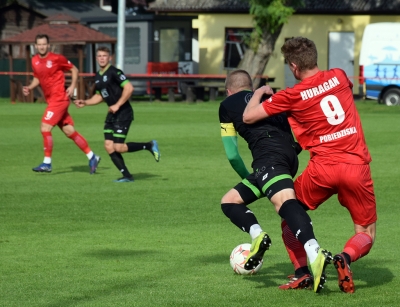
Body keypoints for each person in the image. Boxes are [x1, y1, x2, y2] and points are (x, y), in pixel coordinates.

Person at [243, 37, 377, 294]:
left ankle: (302, 272)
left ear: (294, 67)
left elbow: (249, 116)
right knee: (366, 231)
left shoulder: (291, 95)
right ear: (315, 58)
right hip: (356, 166)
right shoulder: (339, 76)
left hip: (322, 169)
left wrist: (259, 92)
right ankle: (345, 258)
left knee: (289, 217)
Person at [219, 69, 332, 293]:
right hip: (288, 156)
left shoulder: (226, 105)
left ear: (228, 90)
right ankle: (257, 236)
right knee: (230, 201)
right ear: (250, 86)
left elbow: (232, 154)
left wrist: (248, 175)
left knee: (284, 203)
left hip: (269, 159)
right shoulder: (270, 98)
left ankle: (315, 252)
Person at [74, 46, 160, 183]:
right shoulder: (97, 76)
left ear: (110, 58)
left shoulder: (115, 72)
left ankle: (149, 145)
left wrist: (117, 104)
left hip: (123, 112)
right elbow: (99, 96)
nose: (102, 58)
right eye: (99, 56)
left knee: (118, 147)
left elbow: (129, 88)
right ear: (96, 58)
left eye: (104, 56)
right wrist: (85, 102)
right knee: (108, 146)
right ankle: (127, 176)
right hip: (112, 114)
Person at [23, 34, 100, 174]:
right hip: (52, 100)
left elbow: (74, 69)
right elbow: (37, 77)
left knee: (45, 127)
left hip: (59, 99)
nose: (41, 46)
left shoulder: (57, 58)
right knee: (69, 131)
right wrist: (30, 87)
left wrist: (72, 86)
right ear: (35, 46)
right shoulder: (34, 60)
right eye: (39, 44)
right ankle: (92, 156)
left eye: (44, 44)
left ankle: (47, 163)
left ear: (48, 45)